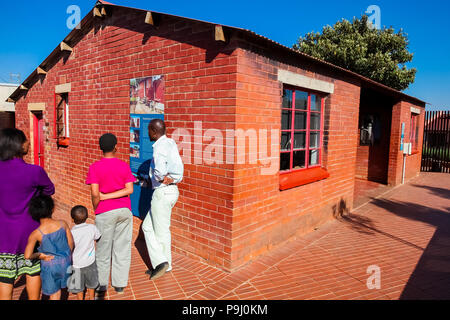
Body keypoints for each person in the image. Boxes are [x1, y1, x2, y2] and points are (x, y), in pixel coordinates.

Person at [0, 128, 55, 300]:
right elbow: (49, 189)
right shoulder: (34, 171)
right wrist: (34, 194)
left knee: (5, 276)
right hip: (29, 228)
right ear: (17, 145)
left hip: (3, 231)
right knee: (32, 271)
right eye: (25, 141)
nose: (28, 143)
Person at [86, 133, 136, 293]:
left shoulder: (94, 167)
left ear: (100, 148)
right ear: (116, 146)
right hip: (124, 211)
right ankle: (119, 284)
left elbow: (95, 193)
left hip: (105, 211)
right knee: (122, 248)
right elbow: (130, 189)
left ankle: (101, 285)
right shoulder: (123, 165)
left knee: (103, 249)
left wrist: (99, 204)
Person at [142, 119, 183, 280]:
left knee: (161, 231)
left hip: (162, 193)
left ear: (153, 131)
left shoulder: (159, 147)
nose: (147, 133)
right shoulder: (171, 143)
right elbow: (179, 170)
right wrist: (173, 178)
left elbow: (159, 170)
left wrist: (159, 177)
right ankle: (161, 262)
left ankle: (164, 264)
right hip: (171, 191)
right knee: (147, 227)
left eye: (148, 130)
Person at [24, 195, 73, 300]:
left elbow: (27, 255)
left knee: (54, 294)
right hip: (65, 262)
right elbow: (71, 243)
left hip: (50, 266)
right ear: (52, 208)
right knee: (60, 289)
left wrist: (40, 255)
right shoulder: (62, 224)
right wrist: (66, 256)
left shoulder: (36, 234)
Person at [68, 205, 101, 300]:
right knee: (91, 283)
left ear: (72, 219)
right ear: (87, 217)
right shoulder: (92, 227)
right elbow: (98, 236)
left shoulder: (71, 232)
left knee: (78, 287)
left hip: (76, 264)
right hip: (90, 261)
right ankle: (91, 297)